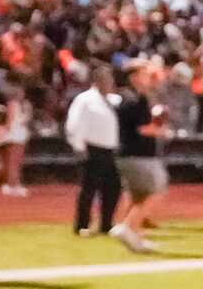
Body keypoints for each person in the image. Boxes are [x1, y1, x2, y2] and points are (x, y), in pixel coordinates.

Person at [110, 58, 172, 254]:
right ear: (135, 77)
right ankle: (127, 226)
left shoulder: (132, 97)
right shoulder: (134, 99)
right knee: (155, 190)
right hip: (137, 153)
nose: (149, 78)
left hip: (131, 153)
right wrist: (162, 131)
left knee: (138, 195)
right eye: (145, 74)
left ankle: (135, 236)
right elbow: (143, 128)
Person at [64, 63, 122, 238]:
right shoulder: (85, 99)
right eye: (106, 78)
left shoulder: (115, 100)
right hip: (92, 149)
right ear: (97, 80)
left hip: (112, 149)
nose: (109, 82)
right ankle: (82, 224)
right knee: (89, 189)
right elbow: (74, 124)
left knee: (113, 188)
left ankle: (107, 223)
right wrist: (79, 147)